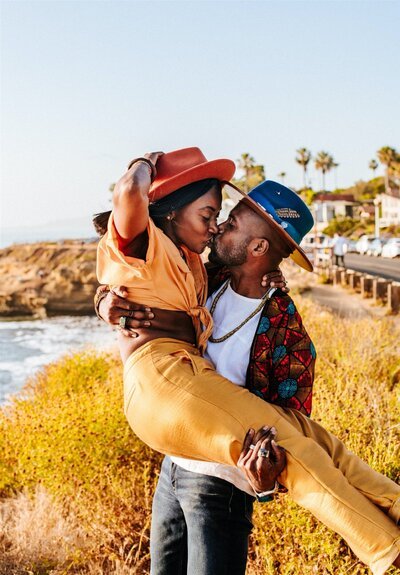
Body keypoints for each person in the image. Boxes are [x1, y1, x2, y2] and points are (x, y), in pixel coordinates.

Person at [95, 147, 400, 574]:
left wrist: (264, 486)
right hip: (175, 463)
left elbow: (285, 426)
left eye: (230, 223)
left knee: (311, 438)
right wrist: (106, 301)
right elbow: (136, 273)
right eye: (216, 217)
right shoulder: (206, 279)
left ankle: (389, 535)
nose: (218, 228)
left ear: (258, 246)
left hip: (222, 485)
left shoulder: (285, 331)